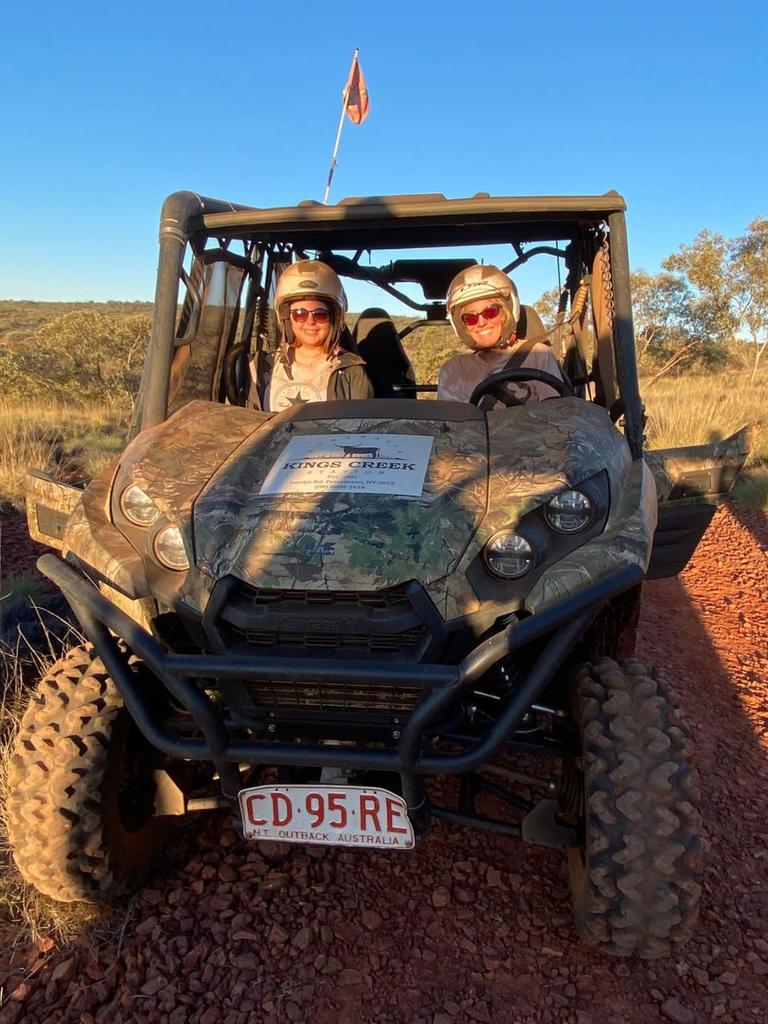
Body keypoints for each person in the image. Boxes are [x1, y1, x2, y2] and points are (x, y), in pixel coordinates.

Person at [249, 259, 373, 411]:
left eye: (320, 314)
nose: (310, 321)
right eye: (299, 314)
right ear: (287, 318)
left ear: (334, 318)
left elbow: (361, 429)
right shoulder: (261, 368)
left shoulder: (351, 373)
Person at [438, 264, 564, 405]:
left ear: (508, 312)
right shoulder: (453, 370)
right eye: (470, 318)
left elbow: (557, 413)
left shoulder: (537, 355)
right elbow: (452, 424)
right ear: (461, 326)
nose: (481, 323)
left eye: (490, 312)